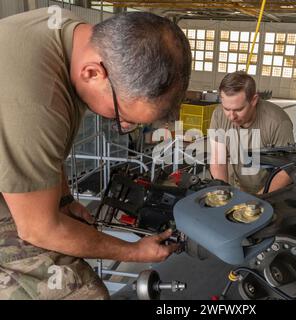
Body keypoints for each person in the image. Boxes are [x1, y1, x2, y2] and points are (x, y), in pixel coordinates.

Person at [0, 8, 191, 299]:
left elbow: (46, 148)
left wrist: (65, 199)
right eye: (121, 116)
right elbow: (39, 229)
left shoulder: (80, 39)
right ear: (93, 73)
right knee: (82, 293)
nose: (123, 125)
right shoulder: (36, 103)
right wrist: (134, 251)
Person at [209, 71, 295, 194]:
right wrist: (223, 192)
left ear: (254, 100)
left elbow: (287, 170)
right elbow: (218, 160)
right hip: (238, 187)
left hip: (271, 191)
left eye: (239, 109)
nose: (231, 116)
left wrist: (257, 200)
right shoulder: (218, 115)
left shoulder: (278, 122)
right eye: (226, 109)